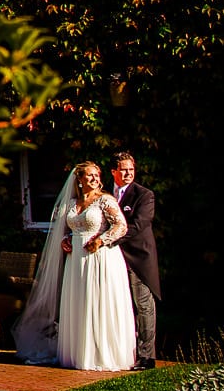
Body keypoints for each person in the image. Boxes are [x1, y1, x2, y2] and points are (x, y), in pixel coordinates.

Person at [11, 161, 138, 369]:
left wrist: (101, 240)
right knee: (79, 302)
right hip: (76, 261)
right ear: (79, 180)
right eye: (90, 175)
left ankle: (101, 355)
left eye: (97, 175)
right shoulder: (71, 204)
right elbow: (70, 229)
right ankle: (78, 353)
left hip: (101, 258)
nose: (95, 178)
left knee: (98, 301)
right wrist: (67, 239)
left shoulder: (105, 200)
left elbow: (121, 226)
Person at [109, 151, 160, 369]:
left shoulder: (144, 195)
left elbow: (139, 225)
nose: (128, 173)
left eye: (131, 169)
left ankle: (146, 356)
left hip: (138, 258)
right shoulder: (104, 194)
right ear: (114, 172)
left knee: (143, 306)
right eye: (123, 169)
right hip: (111, 259)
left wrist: (109, 239)